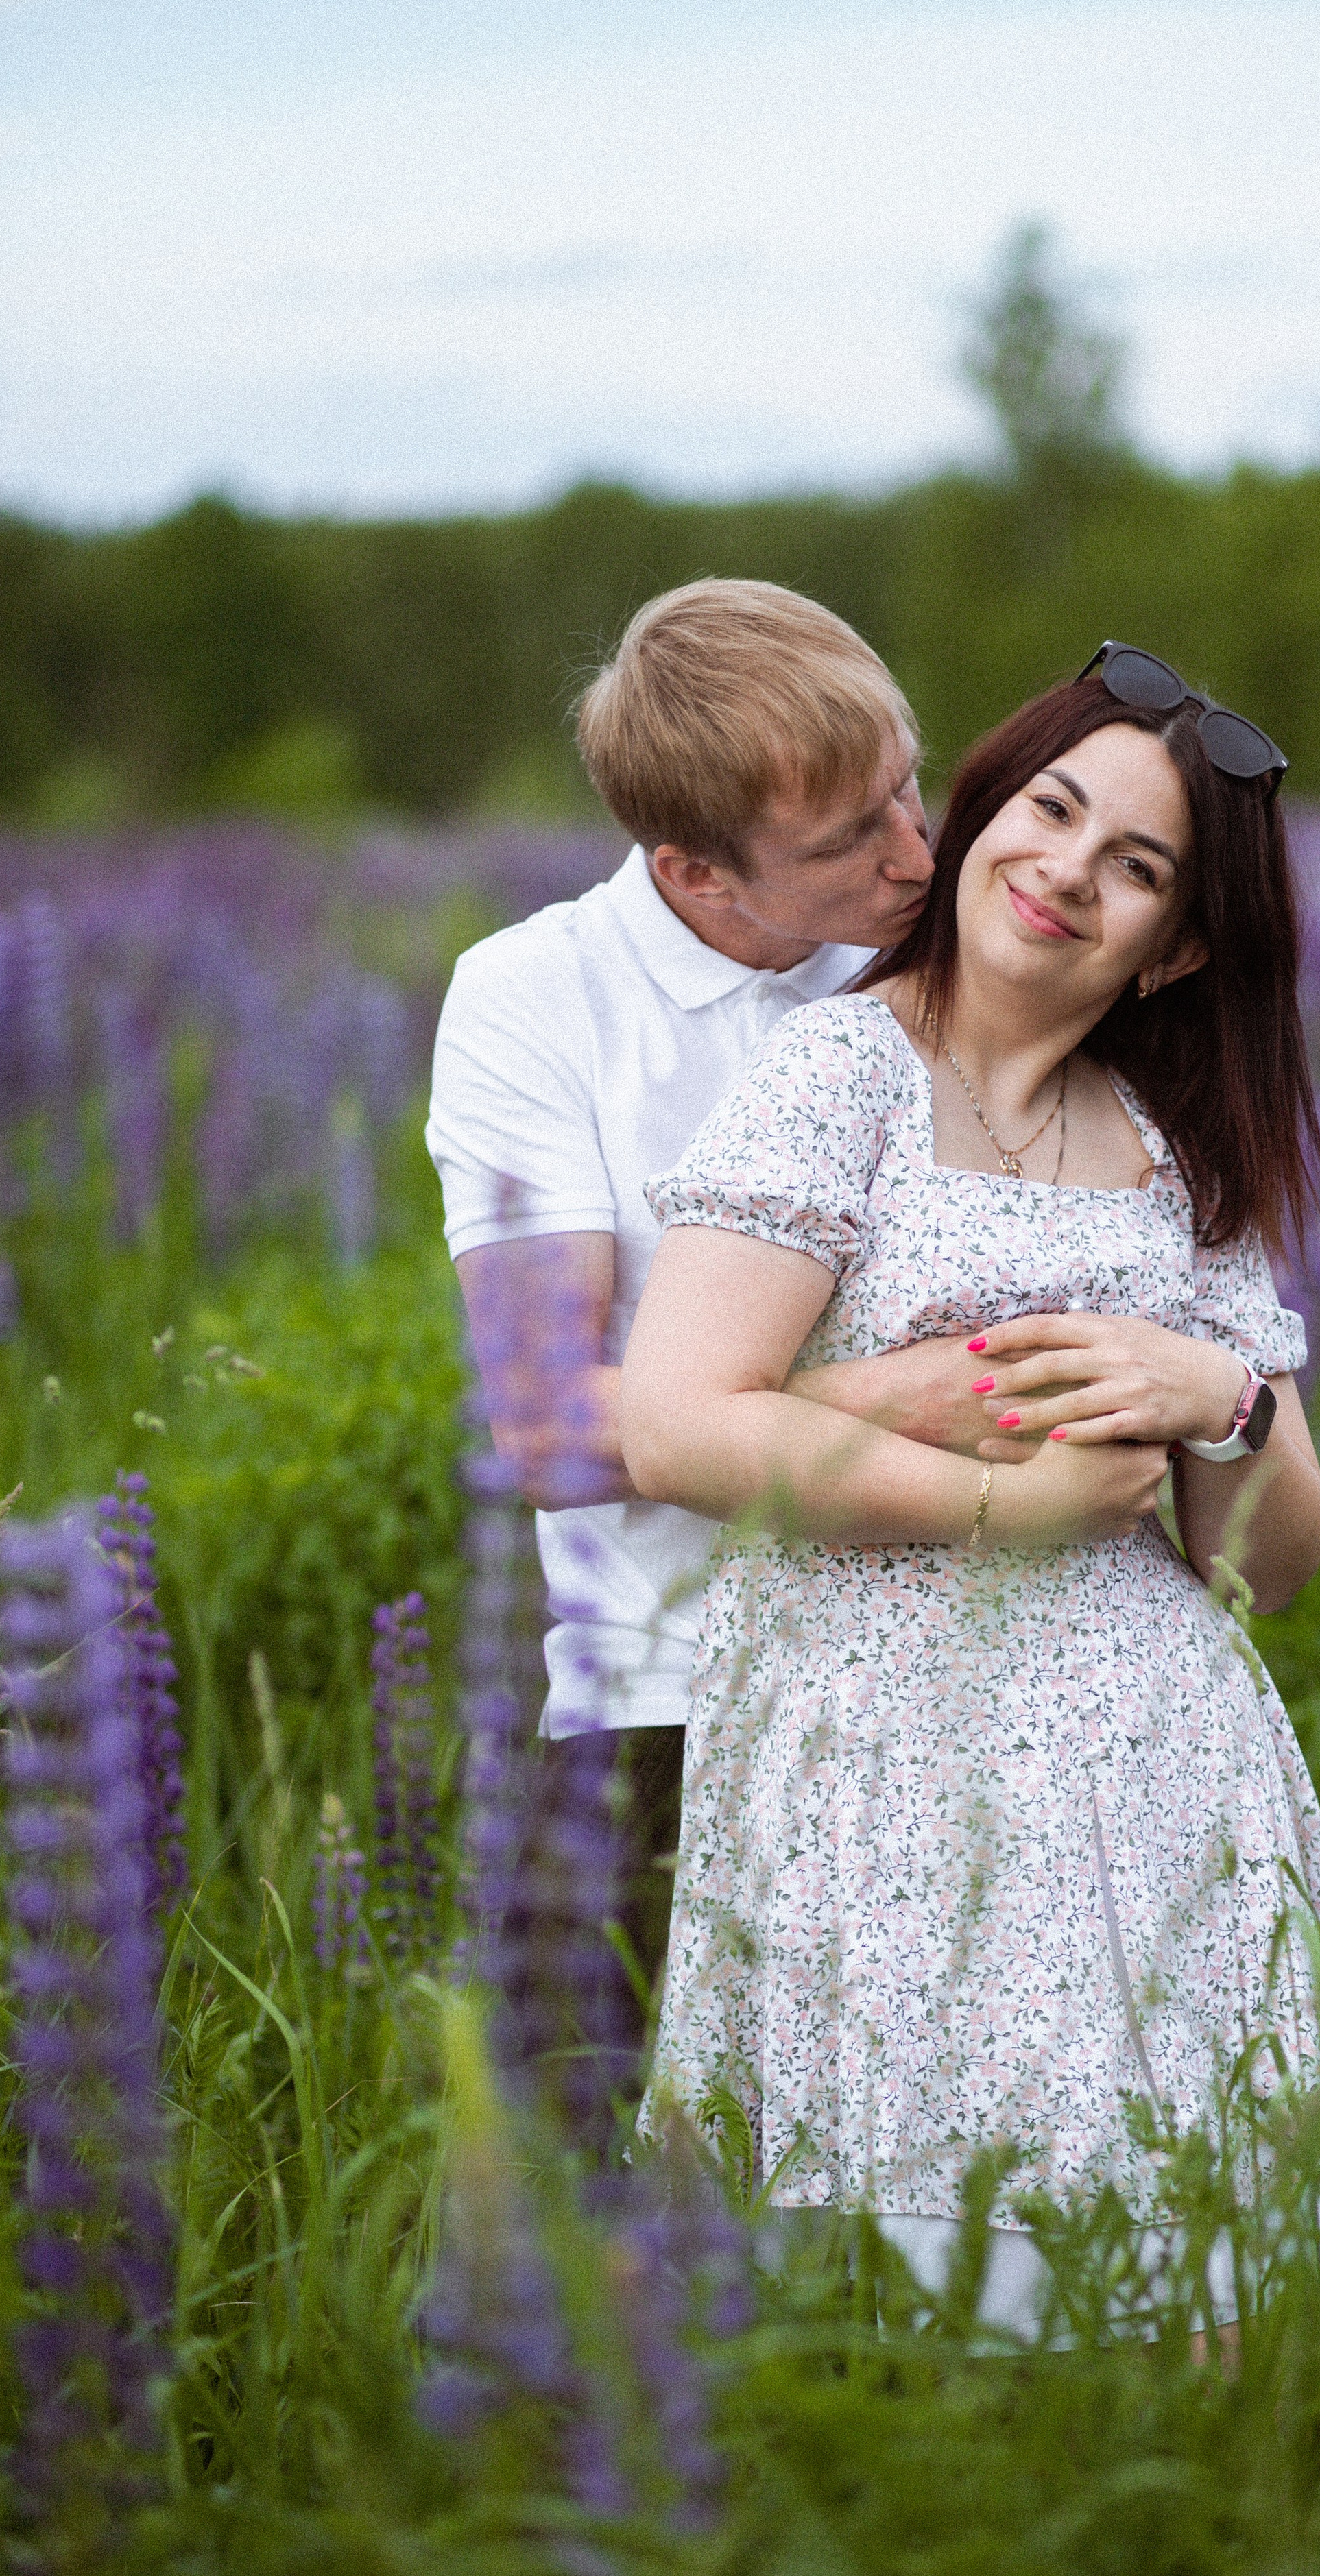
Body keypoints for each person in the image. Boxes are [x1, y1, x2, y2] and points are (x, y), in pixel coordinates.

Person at [620, 646, 1320, 2332]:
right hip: (892, 1769)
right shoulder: (843, 1077)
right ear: (983, 814)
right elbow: (678, 1427)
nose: (1067, 870)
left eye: (1135, 868)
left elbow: (1272, 1565)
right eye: (1050, 811)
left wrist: (1226, 1400)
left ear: (1177, 944)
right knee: (936, 2305)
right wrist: (1007, 1512)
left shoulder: (1175, 1149)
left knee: (1204, 2295)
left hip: (1163, 1787)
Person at [427, 579, 1017, 2006]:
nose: (916, 852)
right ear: (696, 871)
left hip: (974, 1665)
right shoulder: (533, 1000)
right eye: (848, 836)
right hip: (668, 1698)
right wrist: (888, 1394)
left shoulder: (952, 958)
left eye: (908, 785)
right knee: (604, 2199)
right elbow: (548, 1431)